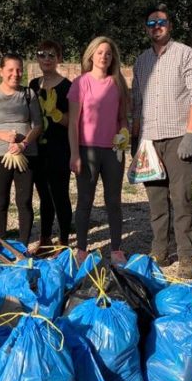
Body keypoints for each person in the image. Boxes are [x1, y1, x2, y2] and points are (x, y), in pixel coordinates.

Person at [131, 4, 192, 279]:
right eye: (151, 24)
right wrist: (135, 138)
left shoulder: (186, 55)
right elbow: (137, 103)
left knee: (182, 200)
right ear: (146, 29)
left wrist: (190, 135)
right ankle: (160, 250)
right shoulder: (141, 61)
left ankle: (186, 256)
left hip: (178, 138)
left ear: (170, 25)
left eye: (161, 22)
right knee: (156, 202)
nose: (156, 27)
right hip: (149, 141)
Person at [69, 36, 130, 265]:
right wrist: (74, 154)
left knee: (113, 200)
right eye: (100, 52)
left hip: (113, 152)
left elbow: (123, 118)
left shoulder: (118, 84)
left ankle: (116, 249)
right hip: (87, 151)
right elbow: (74, 123)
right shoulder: (81, 83)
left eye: (108, 53)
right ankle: (82, 249)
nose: (104, 56)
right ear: (91, 55)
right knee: (85, 200)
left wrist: (123, 134)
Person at [0, 53, 42, 247]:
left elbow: (38, 125)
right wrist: (3, 136)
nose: (16, 74)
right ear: (1, 72)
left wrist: (23, 144)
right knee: (0, 201)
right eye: (10, 70)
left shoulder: (29, 94)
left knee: (24, 200)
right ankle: (3, 243)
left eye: (19, 69)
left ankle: (23, 244)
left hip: (26, 153)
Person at [29, 40, 72, 253]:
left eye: (51, 55)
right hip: (38, 151)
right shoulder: (33, 86)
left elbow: (73, 121)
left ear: (59, 59)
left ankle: (64, 241)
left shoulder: (67, 86)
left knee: (60, 195)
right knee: (44, 196)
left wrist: (56, 113)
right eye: (42, 54)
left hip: (59, 149)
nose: (46, 59)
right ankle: (45, 238)